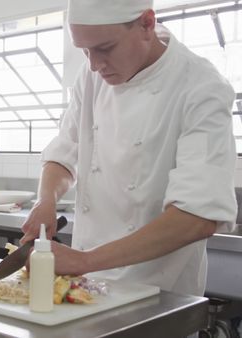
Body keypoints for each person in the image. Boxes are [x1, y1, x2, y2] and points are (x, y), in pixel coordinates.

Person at [22, 0, 237, 298]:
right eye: (84, 51)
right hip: (87, 287)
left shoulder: (201, 87)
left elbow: (196, 217)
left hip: (157, 296)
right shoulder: (91, 75)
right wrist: (46, 200)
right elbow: (65, 151)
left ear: (147, 23)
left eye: (105, 48)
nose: (95, 65)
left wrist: (86, 260)